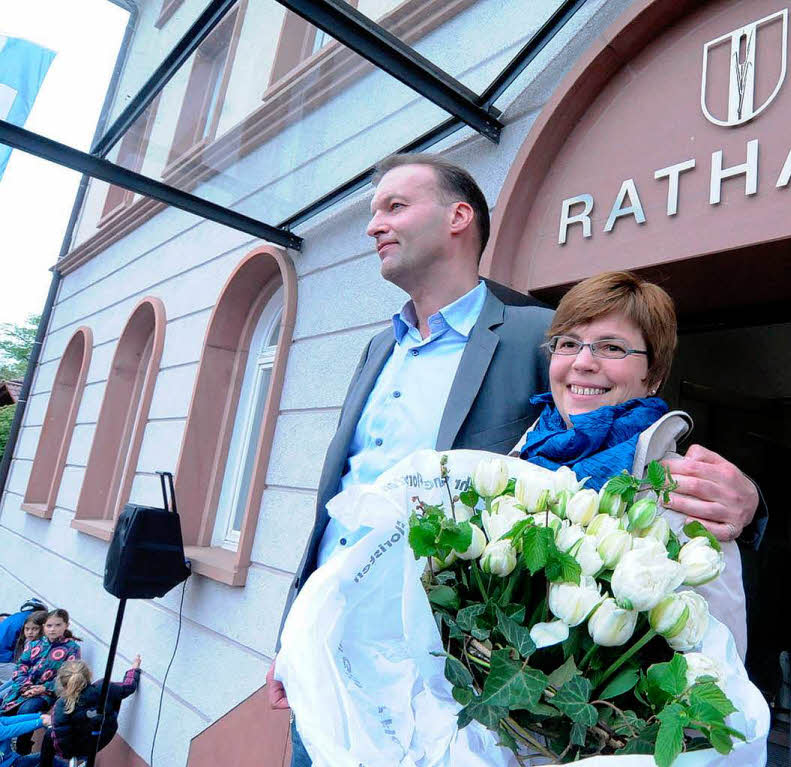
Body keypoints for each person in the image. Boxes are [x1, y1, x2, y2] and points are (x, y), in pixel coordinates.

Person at [270, 154, 762, 766]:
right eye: (574, 345)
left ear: (458, 217)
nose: (582, 360)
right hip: (334, 653)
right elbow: (340, 496)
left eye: (394, 206)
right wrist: (293, 631)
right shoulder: (379, 347)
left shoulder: (531, 332)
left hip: (451, 692)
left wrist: (749, 507)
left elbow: (629, 445)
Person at [511, 271, 747, 655]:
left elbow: (717, 662)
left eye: (612, 348)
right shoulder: (516, 461)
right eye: (568, 344)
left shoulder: (686, 491)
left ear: (652, 375)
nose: (583, 362)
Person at [36, 655, 141, 767]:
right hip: (102, 739)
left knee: (49, 735)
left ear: (62, 683)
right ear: (88, 675)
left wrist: (53, 724)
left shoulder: (62, 705)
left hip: (76, 749)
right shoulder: (105, 688)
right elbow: (129, 687)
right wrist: (134, 668)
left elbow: (62, 742)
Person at [1, 610, 80, 755]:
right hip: (22, 689)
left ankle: (22, 748)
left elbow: (68, 678)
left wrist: (43, 688)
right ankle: (5, 750)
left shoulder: (72, 648)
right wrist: (26, 686)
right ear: (44, 626)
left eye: (58, 625)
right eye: (49, 625)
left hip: (46, 693)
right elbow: (20, 666)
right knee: (4, 708)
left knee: (27, 709)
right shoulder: (34, 644)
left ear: (66, 626)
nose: (53, 629)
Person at [0, 613, 46, 698]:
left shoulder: (42, 645)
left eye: (35, 629)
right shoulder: (29, 643)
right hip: (20, 677)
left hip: (29, 682)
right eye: (27, 629)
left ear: (43, 629)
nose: (30, 632)